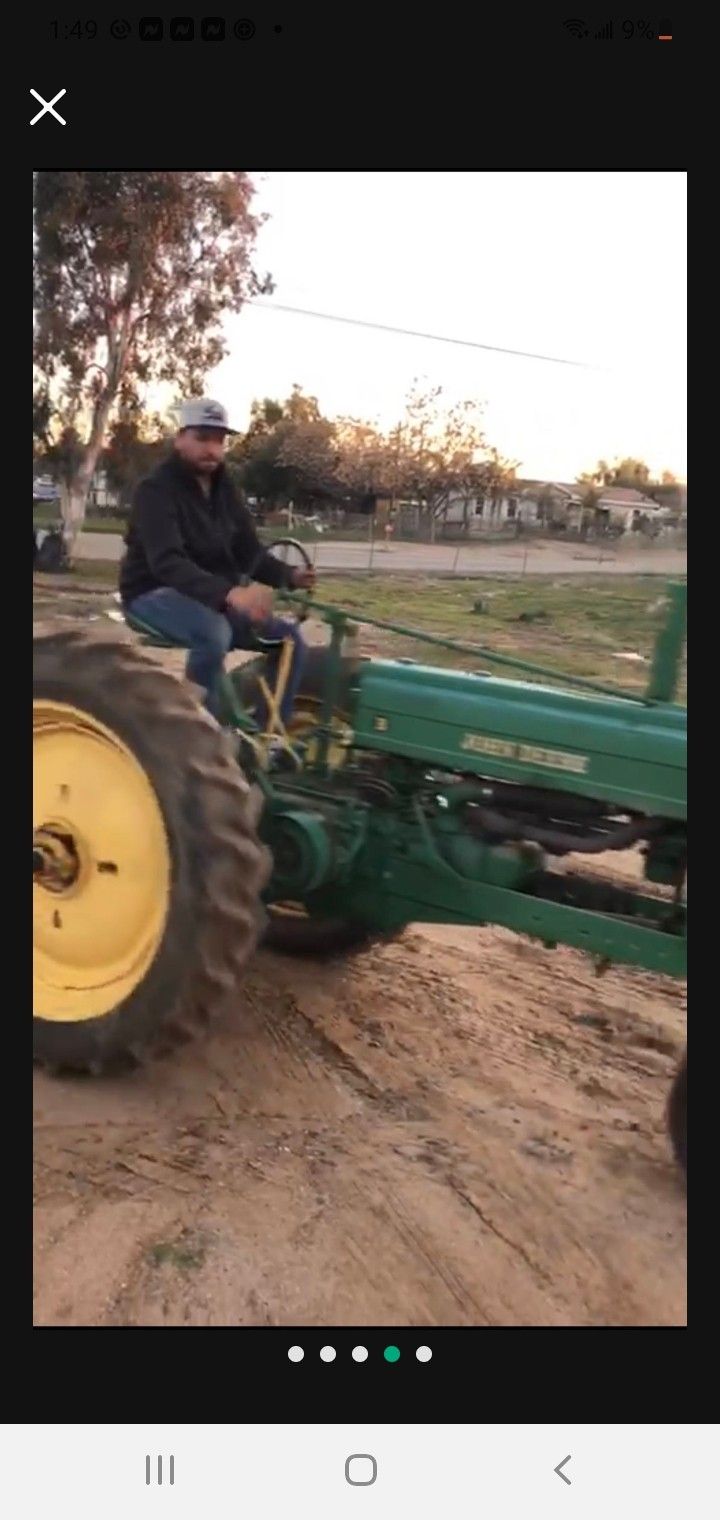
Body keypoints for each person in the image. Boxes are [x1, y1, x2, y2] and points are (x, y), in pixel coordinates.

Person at [119, 399, 315, 725]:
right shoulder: (155, 490)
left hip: (212, 597)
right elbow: (167, 563)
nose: (212, 449)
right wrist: (230, 594)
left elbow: (248, 552)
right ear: (180, 437)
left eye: (219, 440)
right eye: (203, 438)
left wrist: (289, 576)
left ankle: (268, 737)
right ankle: (196, 731)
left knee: (290, 640)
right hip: (152, 592)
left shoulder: (225, 490)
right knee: (213, 633)